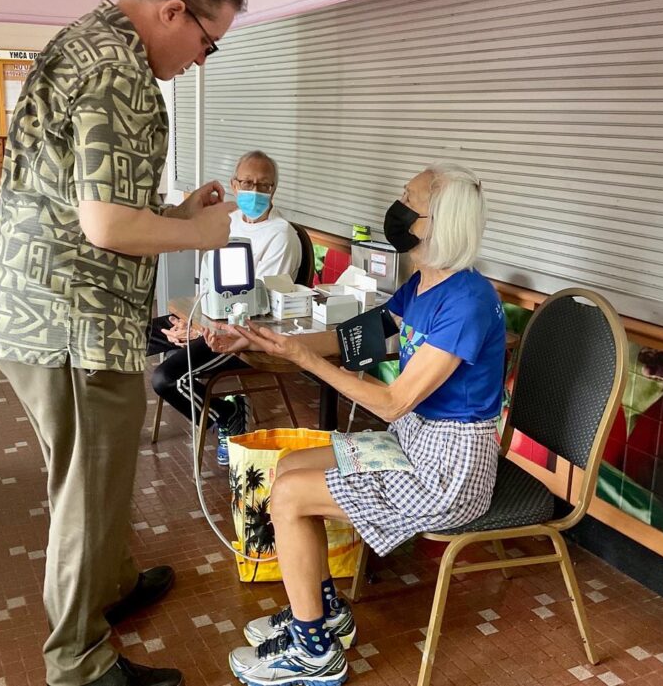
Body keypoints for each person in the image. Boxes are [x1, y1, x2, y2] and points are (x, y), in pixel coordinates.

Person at [0, 0, 245, 686]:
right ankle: (79, 661)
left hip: (51, 309)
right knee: (86, 486)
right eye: (207, 41)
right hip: (70, 320)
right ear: (171, 10)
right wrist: (200, 232)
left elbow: (90, 201)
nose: (200, 60)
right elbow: (105, 228)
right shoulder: (118, 69)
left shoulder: (85, 41)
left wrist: (172, 209)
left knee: (100, 467)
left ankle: (113, 583)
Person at [206, 163, 506, 686]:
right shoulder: (427, 284)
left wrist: (307, 360)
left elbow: (392, 401)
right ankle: (323, 611)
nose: (398, 205)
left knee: (293, 497)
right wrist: (265, 340)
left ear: (436, 222)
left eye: (408, 199)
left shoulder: (469, 302)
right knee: (289, 467)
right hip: (416, 442)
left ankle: (313, 651)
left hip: (449, 468)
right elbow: (363, 336)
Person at [149, 150, 302, 465]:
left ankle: (227, 413)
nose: (255, 191)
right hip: (207, 319)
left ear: (274, 188)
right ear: (234, 183)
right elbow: (207, 285)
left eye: (264, 185)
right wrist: (187, 322)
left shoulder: (281, 234)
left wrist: (199, 329)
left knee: (167, 378)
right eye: (247, 182)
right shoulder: (227, 222)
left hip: (244, 336)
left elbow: (256, 306)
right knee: (136, 334)